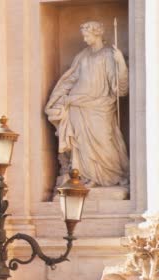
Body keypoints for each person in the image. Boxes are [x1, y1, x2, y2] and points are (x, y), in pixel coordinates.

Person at [45, 21, 129, 187]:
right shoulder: (82, 55)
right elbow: (71, 78)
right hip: (77, 104)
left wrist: (121, 64)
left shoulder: (108, 55)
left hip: (100, 106)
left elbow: (118, 87)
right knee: (81, 142)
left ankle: (108, 177)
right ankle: (86, 176)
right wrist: (55, 99)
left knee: (104, 140)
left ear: (97, 33)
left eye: (87, 35)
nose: (84, 39)